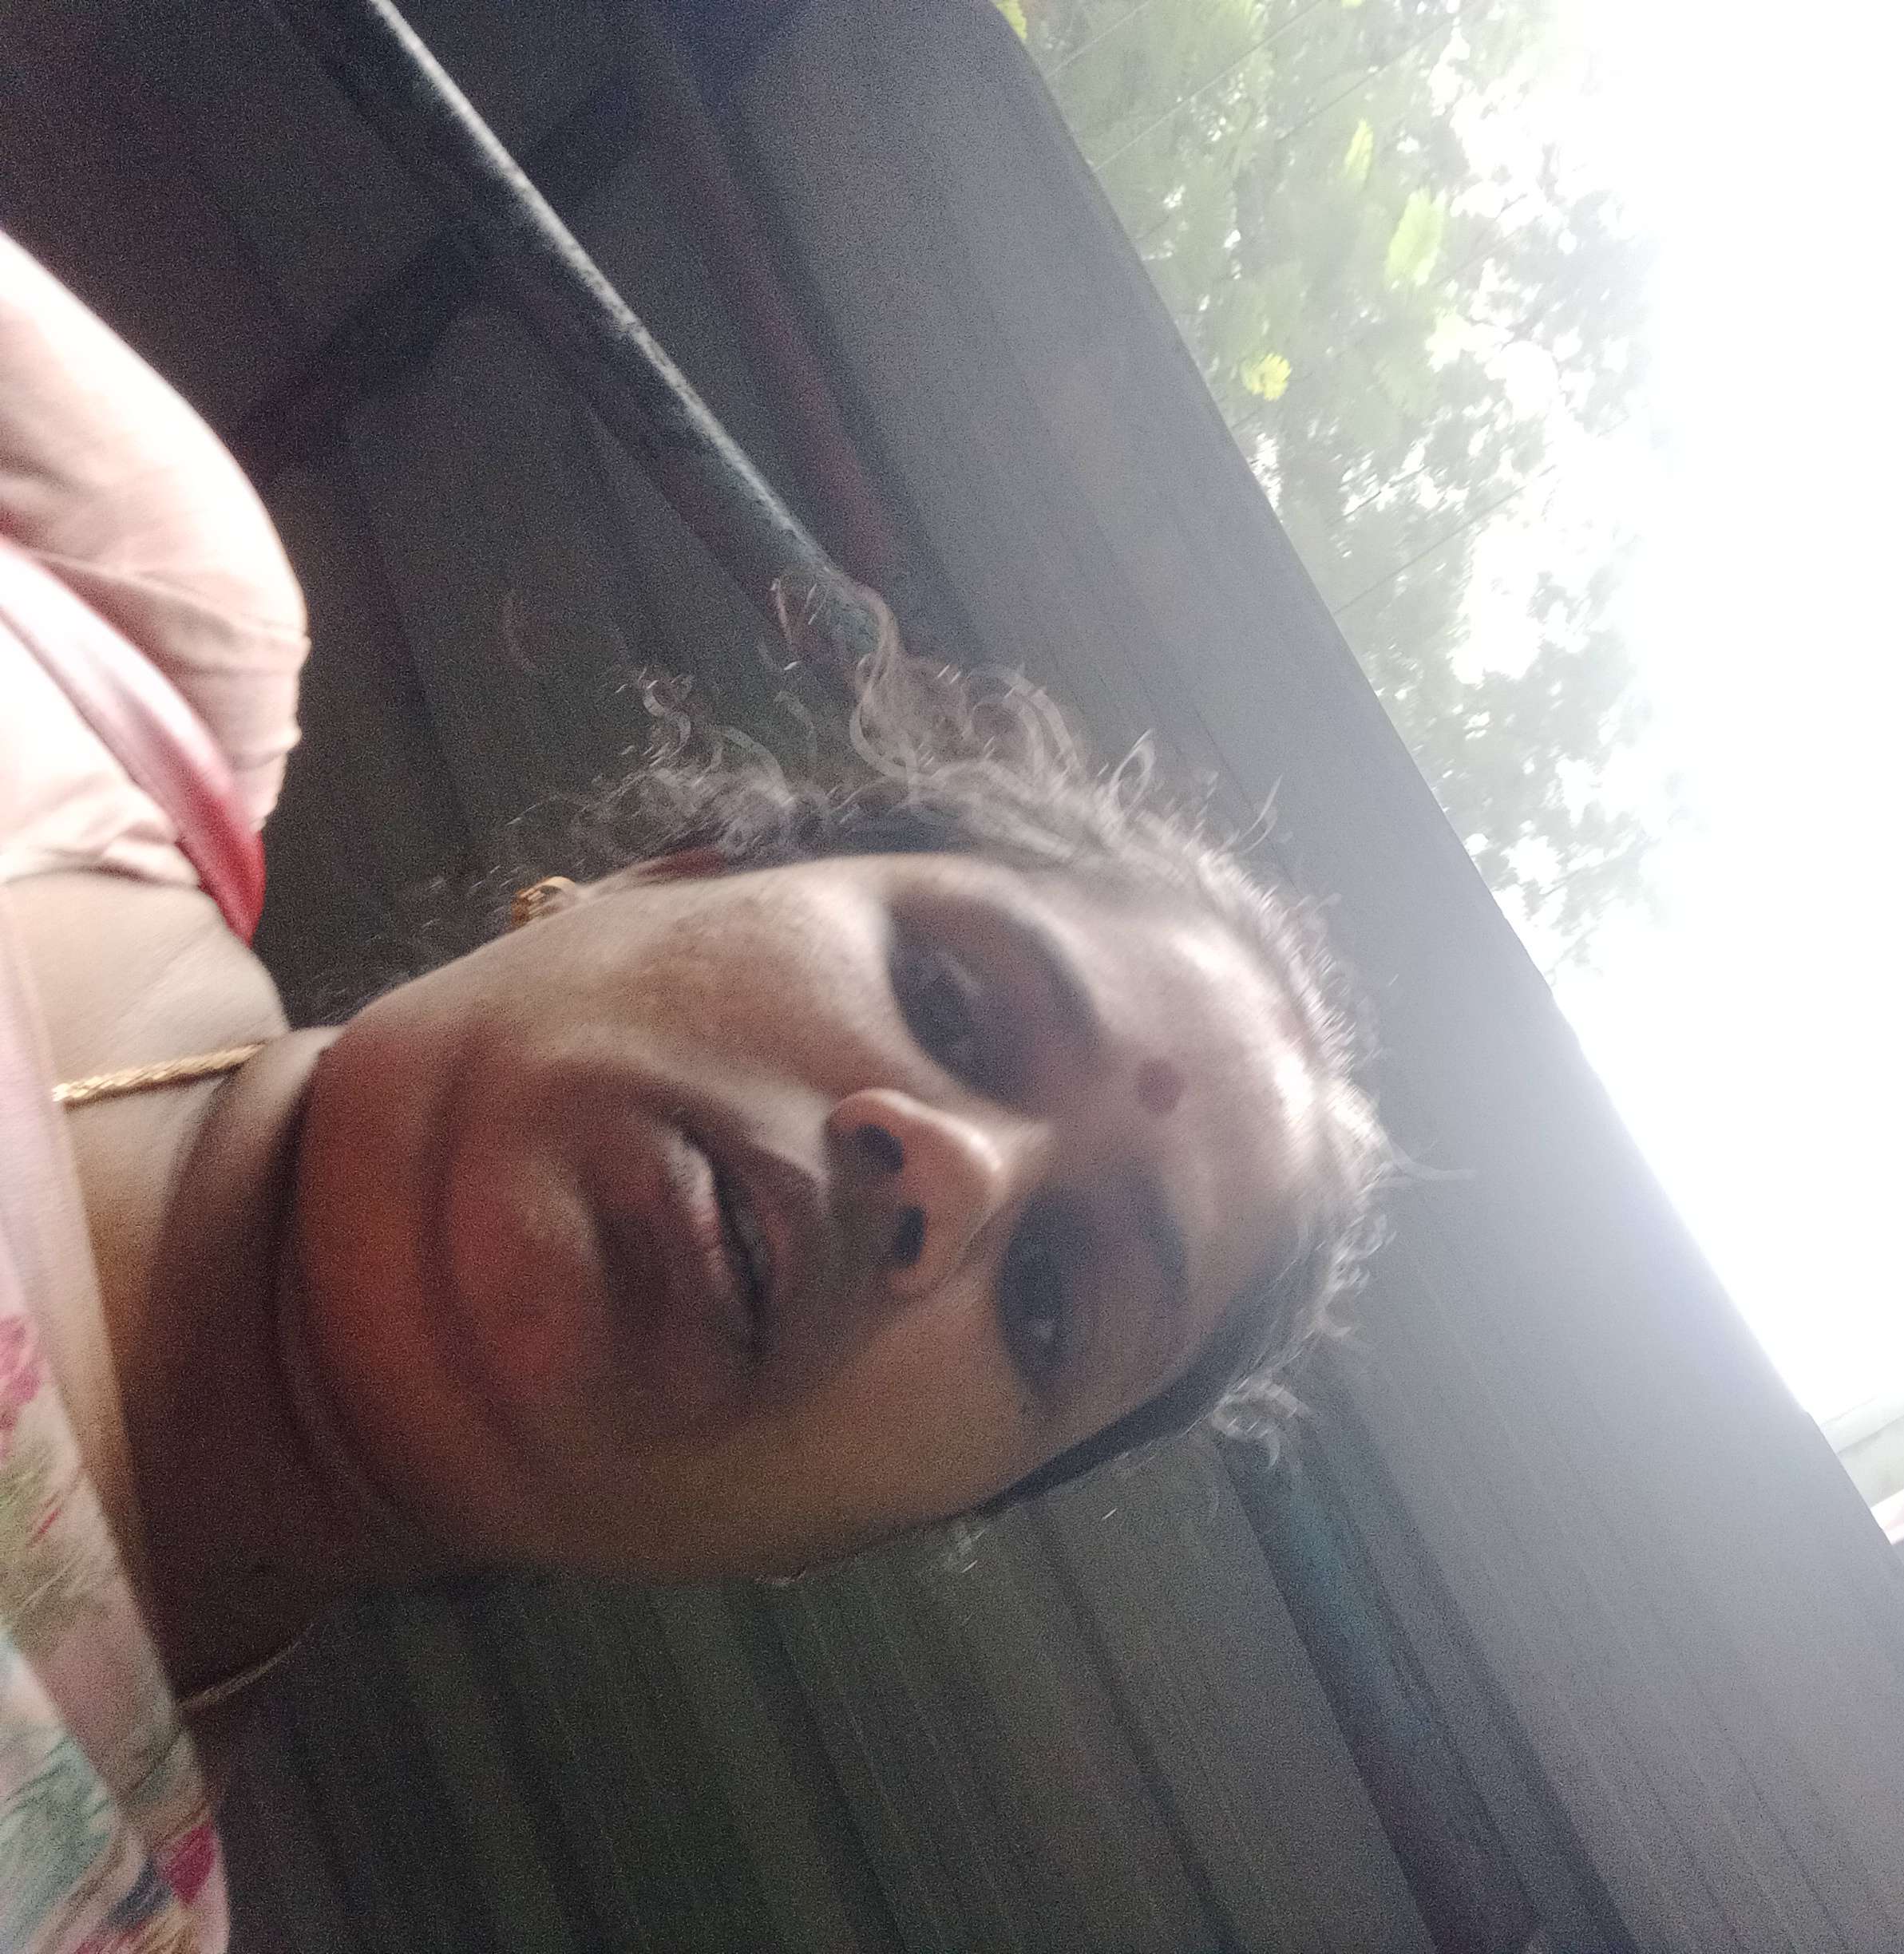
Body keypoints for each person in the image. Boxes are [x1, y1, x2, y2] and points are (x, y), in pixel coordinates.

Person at [0, 228, 1382, 1951]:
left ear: (843, 1535)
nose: (951, 1176)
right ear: (659, 874)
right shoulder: (132, 626)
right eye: (952, 1001)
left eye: (1048, 1301)